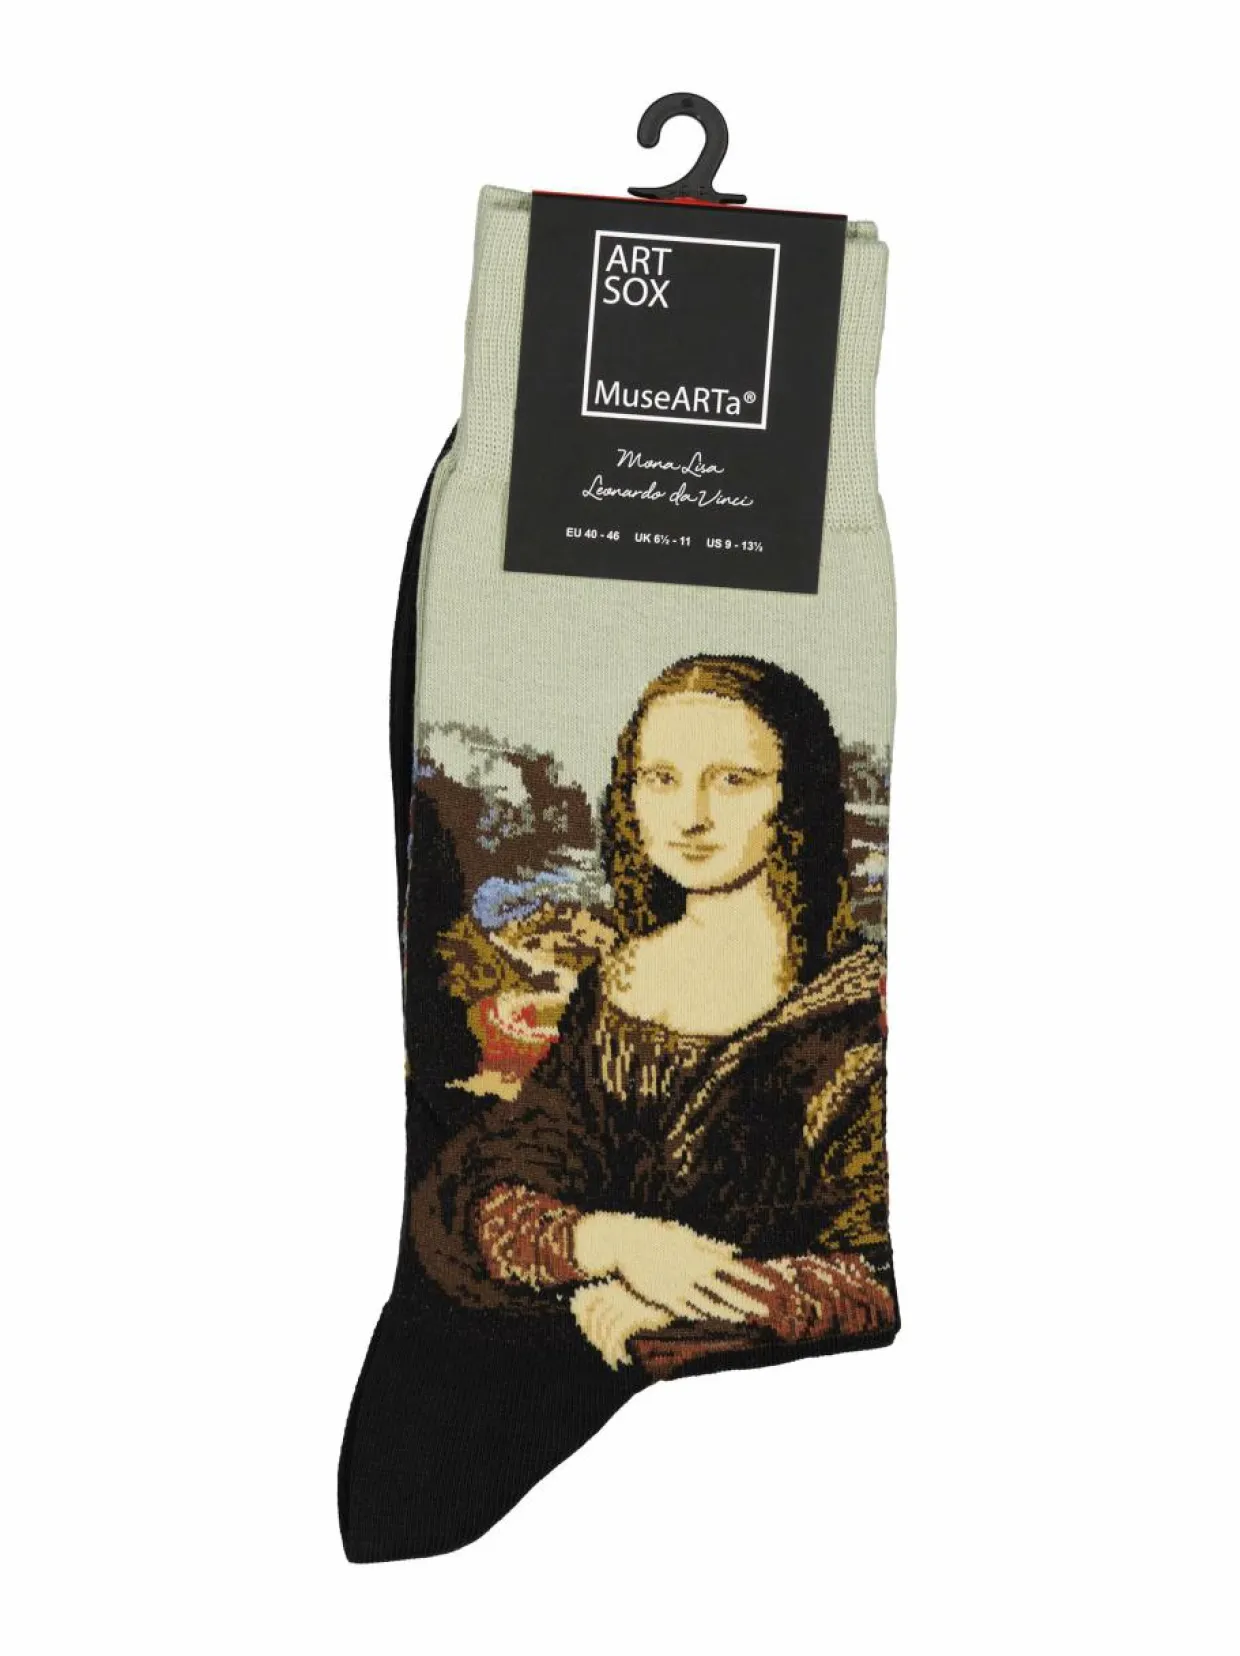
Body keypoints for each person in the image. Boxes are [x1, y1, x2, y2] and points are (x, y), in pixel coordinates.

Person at [408, 654, 898, 1380]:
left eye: (733, 780)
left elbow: (869, 1277)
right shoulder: (616, 986)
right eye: (661, 778)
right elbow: (491, 1192)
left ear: (794, 797)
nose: (691, 815)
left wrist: (694, 1308)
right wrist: (614, 1244)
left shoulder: (852, 1015)